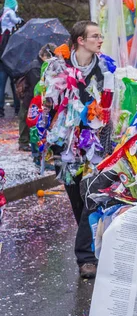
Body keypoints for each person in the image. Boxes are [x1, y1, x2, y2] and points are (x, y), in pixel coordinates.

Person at [43, 20, 109, 279]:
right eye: (95, 36)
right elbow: (48, 103)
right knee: (77, 199)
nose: (100, 39)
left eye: (100, 35)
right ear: (80, 40)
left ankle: (86, 257)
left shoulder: (104, 66)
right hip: (67, 144)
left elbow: (109, 103)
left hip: (94, 142)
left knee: (93, 194)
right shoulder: (58, 66)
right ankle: (91, 241)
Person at [15, 44, 56, 151]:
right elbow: (37, 84)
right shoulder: (36, 66)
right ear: (44, 56)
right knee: (26, 119)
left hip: (34, 98)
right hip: (30, 98)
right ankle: (24, 142)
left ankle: (30, 142)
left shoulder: (40, 64)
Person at [0, 0, 23, 117]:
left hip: (1, 59)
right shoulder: (11, 16)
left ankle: (0, 110)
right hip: (12, 60)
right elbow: (16, 20)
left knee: (1, 85)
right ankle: (18, 108)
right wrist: (20, 20)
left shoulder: (2, 15)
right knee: (15, 85)